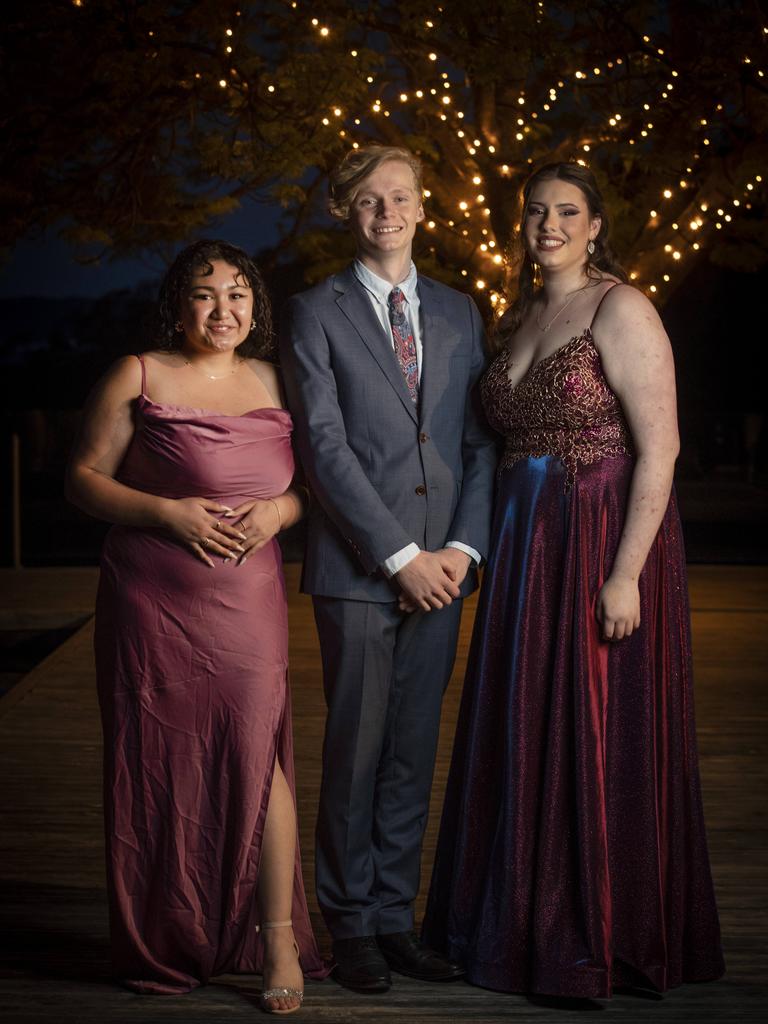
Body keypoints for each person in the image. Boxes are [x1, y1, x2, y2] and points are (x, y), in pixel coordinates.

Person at [422, 163, 725, 999]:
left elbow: (658, 447)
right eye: (535, 212)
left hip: (599, 537)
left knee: (594, 725)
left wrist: (626, 572)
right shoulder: (519, 314)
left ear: (595, 225)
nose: (546, 224)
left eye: (566, 212)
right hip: (526, 547)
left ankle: (595, 934)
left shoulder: (620, 306)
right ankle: (515, 924)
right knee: (525, 719)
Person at [66, 240, 326, 1014]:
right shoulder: (140, 373)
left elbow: (316, 482)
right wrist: (164, 514)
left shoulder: (281, 379)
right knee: (160, 762)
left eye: (239, 295)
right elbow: (82, 480)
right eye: (206, 295)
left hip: (247, 602)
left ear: (258, 307)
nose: (224, 310)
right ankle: (169, 931)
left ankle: (276, 935)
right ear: (178, 305)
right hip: (150, 598)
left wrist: (281, 509)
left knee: (257, 756)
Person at [279, 146, 496, 994]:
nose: (388, 212)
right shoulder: (313, 311)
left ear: (420, 206)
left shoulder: (459, 310)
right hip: (362, 569)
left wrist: (460, 552)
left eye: (400, 197)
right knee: (358, 748)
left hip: (446, 568)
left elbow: (480, 445)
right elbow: (324, 448)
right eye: (369, 200)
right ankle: (349, 920)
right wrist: (399, 555)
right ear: (345, 209)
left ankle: (395, 914)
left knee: (412, 748)